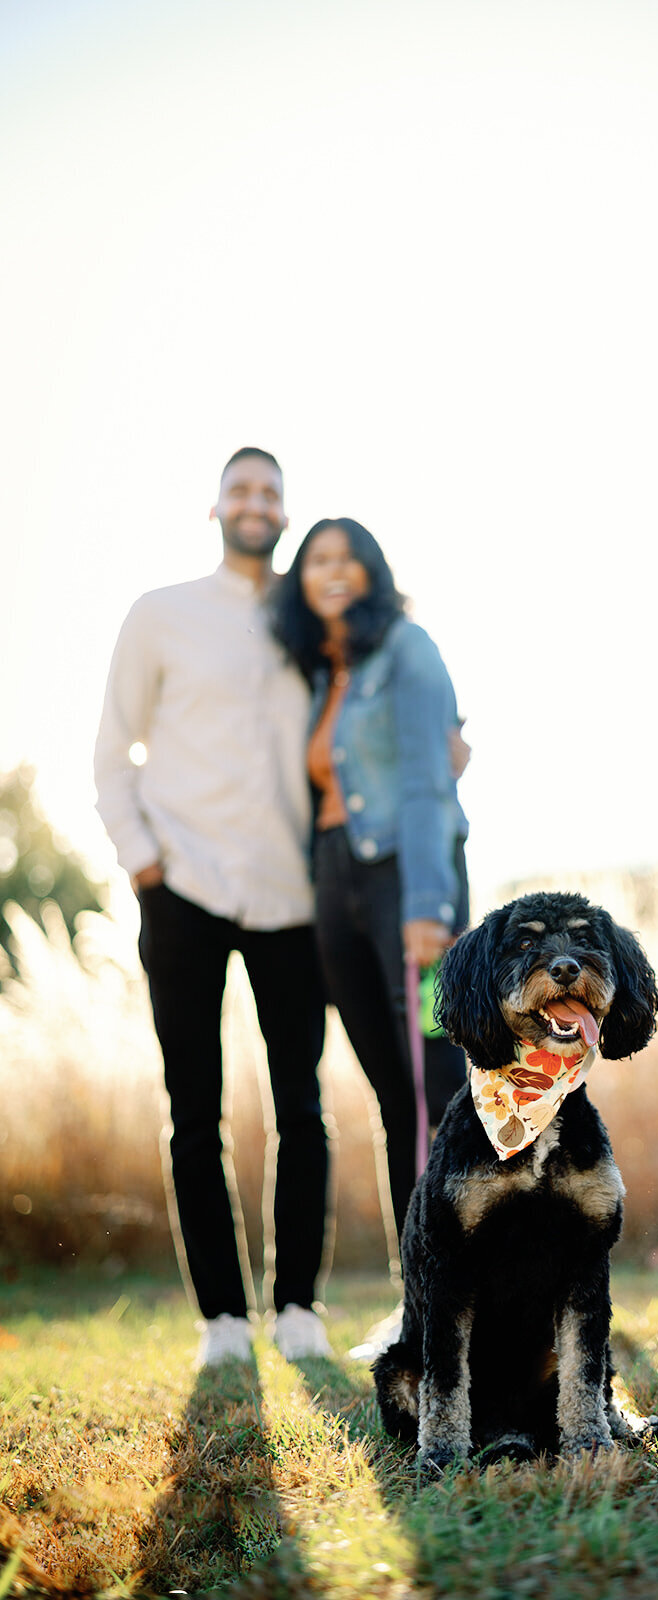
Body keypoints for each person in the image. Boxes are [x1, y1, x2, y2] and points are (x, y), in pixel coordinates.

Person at [93, 447, 332, 1367]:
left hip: (291, 896)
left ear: (284, 512)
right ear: (215, 508)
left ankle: (298, 1307)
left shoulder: (309, 621)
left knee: (300, 1103)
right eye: (241, 489)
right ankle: (223, 1320)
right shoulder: (160, 616)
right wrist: (143, 863)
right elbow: (113, 753)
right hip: (182, 888)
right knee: (193, 1107)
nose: (255, 503)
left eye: (270, 492)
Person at [271, 517, 470, 1272]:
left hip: (402, 882)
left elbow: (426, 780)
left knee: (437, 1092)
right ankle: (419, 1291)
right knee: (394, 1097)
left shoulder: (407, 651)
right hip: (333, 885)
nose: (332, 572)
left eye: (347, 560)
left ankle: (467, 1294)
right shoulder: (323, 675)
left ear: (371, 573)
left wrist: (427, 906)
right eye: (317, 559)